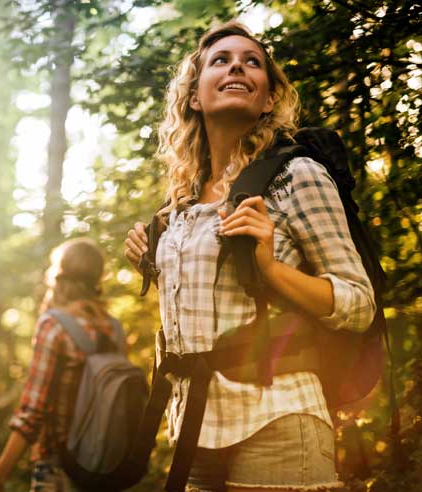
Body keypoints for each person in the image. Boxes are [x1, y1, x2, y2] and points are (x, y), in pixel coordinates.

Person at [125, 20, 376, 492]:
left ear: (267, 98)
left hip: (278, 421)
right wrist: (151, 265)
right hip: (194, 430)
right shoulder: (178, 204)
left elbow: (359, 303)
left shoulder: (297, 176)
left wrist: (270, 267)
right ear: (195, 96)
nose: (237, 65)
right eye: (220, 60)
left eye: (252, 62)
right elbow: (213, 309)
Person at [0, 238, 119, 492]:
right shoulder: (112, 327)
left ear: (59, 275)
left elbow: (32, 414)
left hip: (60, 467)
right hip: (105, 466)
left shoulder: (54, 326)